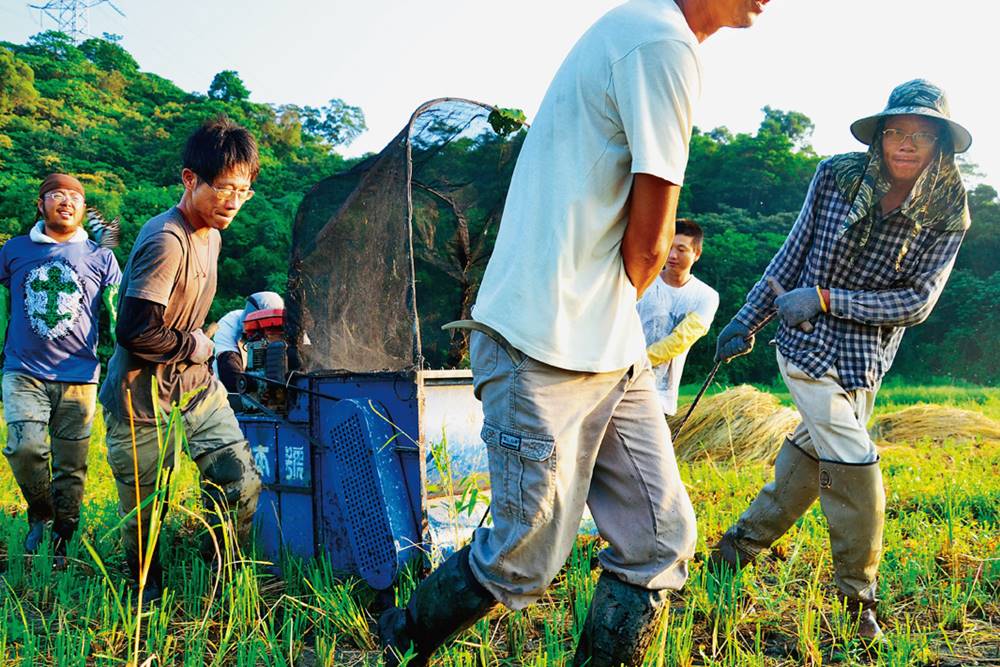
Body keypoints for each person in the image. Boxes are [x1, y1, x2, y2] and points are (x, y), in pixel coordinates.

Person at [378, 1, 772, 665]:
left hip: (608, 343)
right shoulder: (661, 42)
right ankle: (396, 639)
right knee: (523, 555)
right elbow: (650, 247)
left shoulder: (640, 30)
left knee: (660, 538)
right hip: (544, 339)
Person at [711, 79, 972, 640]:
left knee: (811, 459)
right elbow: (793, 252)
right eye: (896, 131)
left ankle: (734, 551)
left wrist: (830, 298)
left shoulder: (950, 209)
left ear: (940, 145)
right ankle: (859, 603)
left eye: (921, 135)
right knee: (854, 457)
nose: (905, 144)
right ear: (878, 136)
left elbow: (917, 301)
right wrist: (747, 318)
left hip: (867, 354)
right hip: (805, 341)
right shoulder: (836, 175)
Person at [99, 118, 263, 603]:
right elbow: (132, 330)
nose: (233, 201)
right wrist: (199, 345)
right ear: (191, 180)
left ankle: (222, 581)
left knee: (241, 482)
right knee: (148, 512)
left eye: (243, 190)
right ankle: (146, 594)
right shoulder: (166, 240)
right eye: (223, 188)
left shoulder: (213, 234)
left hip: (195, 388)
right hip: (141, 397)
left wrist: (198, 352)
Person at [0, 173, 121, 569]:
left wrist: (129, 358)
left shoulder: (100, 256)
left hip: (79, 377)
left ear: (83, 208)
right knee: (26, 447)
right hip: (23, 370)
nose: (65, 202)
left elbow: (119, 310)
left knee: (72, 469)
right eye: (56, 195)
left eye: (74, 197)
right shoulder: (13, 250)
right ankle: (40, 513)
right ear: (41, 204)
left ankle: (63, 538)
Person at [637, 218, 718, 415]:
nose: (672, 255)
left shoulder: (706, 296)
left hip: (660, 396)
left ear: (696, 254)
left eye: (681, 250)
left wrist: (637, 363)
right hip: (616, 384)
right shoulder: (641, 280)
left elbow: (680, 339)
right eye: (669, 247)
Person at [211, 291, 284, 408]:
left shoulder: (288, 326)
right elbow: (230, 376)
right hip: (227, 396)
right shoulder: (230, 323)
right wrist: (260, 387)